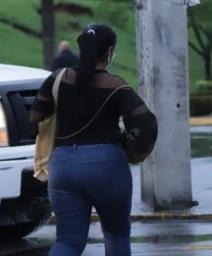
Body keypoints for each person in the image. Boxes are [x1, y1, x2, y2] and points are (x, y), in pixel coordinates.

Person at [30, 24, 157, 256]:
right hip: (106, 164)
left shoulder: (58, 78)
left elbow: (36, 116)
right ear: (109, 52)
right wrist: (134, 151)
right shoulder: (116, 86)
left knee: (67, 241)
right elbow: (145, 124)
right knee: (116, 235)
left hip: (62, 165)